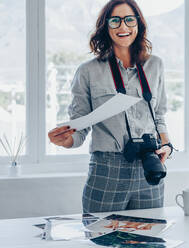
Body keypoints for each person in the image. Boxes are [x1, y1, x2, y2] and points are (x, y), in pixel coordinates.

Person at [48, 0, 172, 213]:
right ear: (106, 27)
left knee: (148, 241)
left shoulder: (155, 65)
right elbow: (80, 128)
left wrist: (167, 147)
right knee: (100, 239)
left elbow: (158, 117)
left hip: (149, 168)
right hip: (107, 170)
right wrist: (66, 140)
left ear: (138, 24)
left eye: (129, 20)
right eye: (115, 21)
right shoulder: (87, 71)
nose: (123, 27)